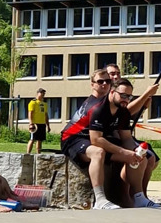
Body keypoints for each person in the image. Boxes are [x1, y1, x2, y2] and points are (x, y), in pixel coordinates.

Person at [60, 70, 146, 209]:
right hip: (74, 138)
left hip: (94, 138)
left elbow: (126, 137)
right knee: (98, 152)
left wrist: (134, 152)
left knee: (141, 157)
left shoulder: (121, 108)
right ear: (112, 92)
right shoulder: (97, 107)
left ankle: (138, 197)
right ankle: (100, 200)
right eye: (123, 95)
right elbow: (96, 140)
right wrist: (124, 152)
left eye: (129, 97)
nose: (126, 99)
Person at [105, 63, 161, 200]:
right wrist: (145, 95)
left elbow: (127, 115)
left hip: (123, 135)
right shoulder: (108, 95)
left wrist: (143, 106)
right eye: (112, 74)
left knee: (151, 158)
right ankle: (132, 194)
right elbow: (127, 111)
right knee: (143, 158)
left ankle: (141, 194)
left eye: (117, 73)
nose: (116, 76)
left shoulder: (121, 93)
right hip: (111, 138)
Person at [27, 88, 50, 154]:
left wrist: (48, 125)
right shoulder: (33, 102)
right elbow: (30, 113)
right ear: (38, 93)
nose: (43, 95)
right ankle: (28, 153)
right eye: (41, 93)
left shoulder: (44, 104)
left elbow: (46, 115)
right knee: (32, 139)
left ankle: (38, 154)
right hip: (35, 124)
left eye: (44, 94)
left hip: (42, 124)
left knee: (40, 140)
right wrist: (31, 123)